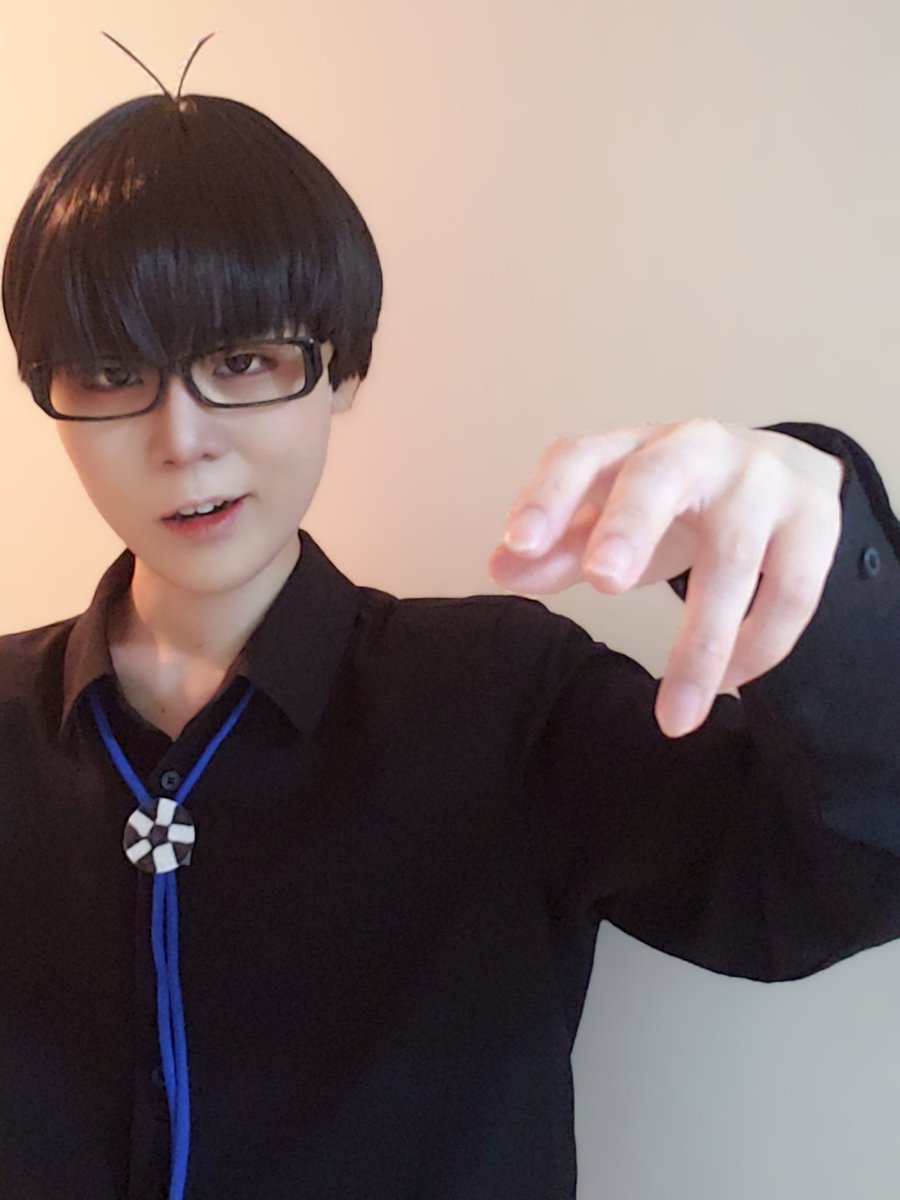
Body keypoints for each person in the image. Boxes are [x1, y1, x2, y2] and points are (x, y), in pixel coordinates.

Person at [0, 31, 897, 1200]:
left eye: (245, 360)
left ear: (342, 370)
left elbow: (825, 887)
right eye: (114, 375)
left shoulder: (505, 698)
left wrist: (823, 568)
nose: (182, 439)